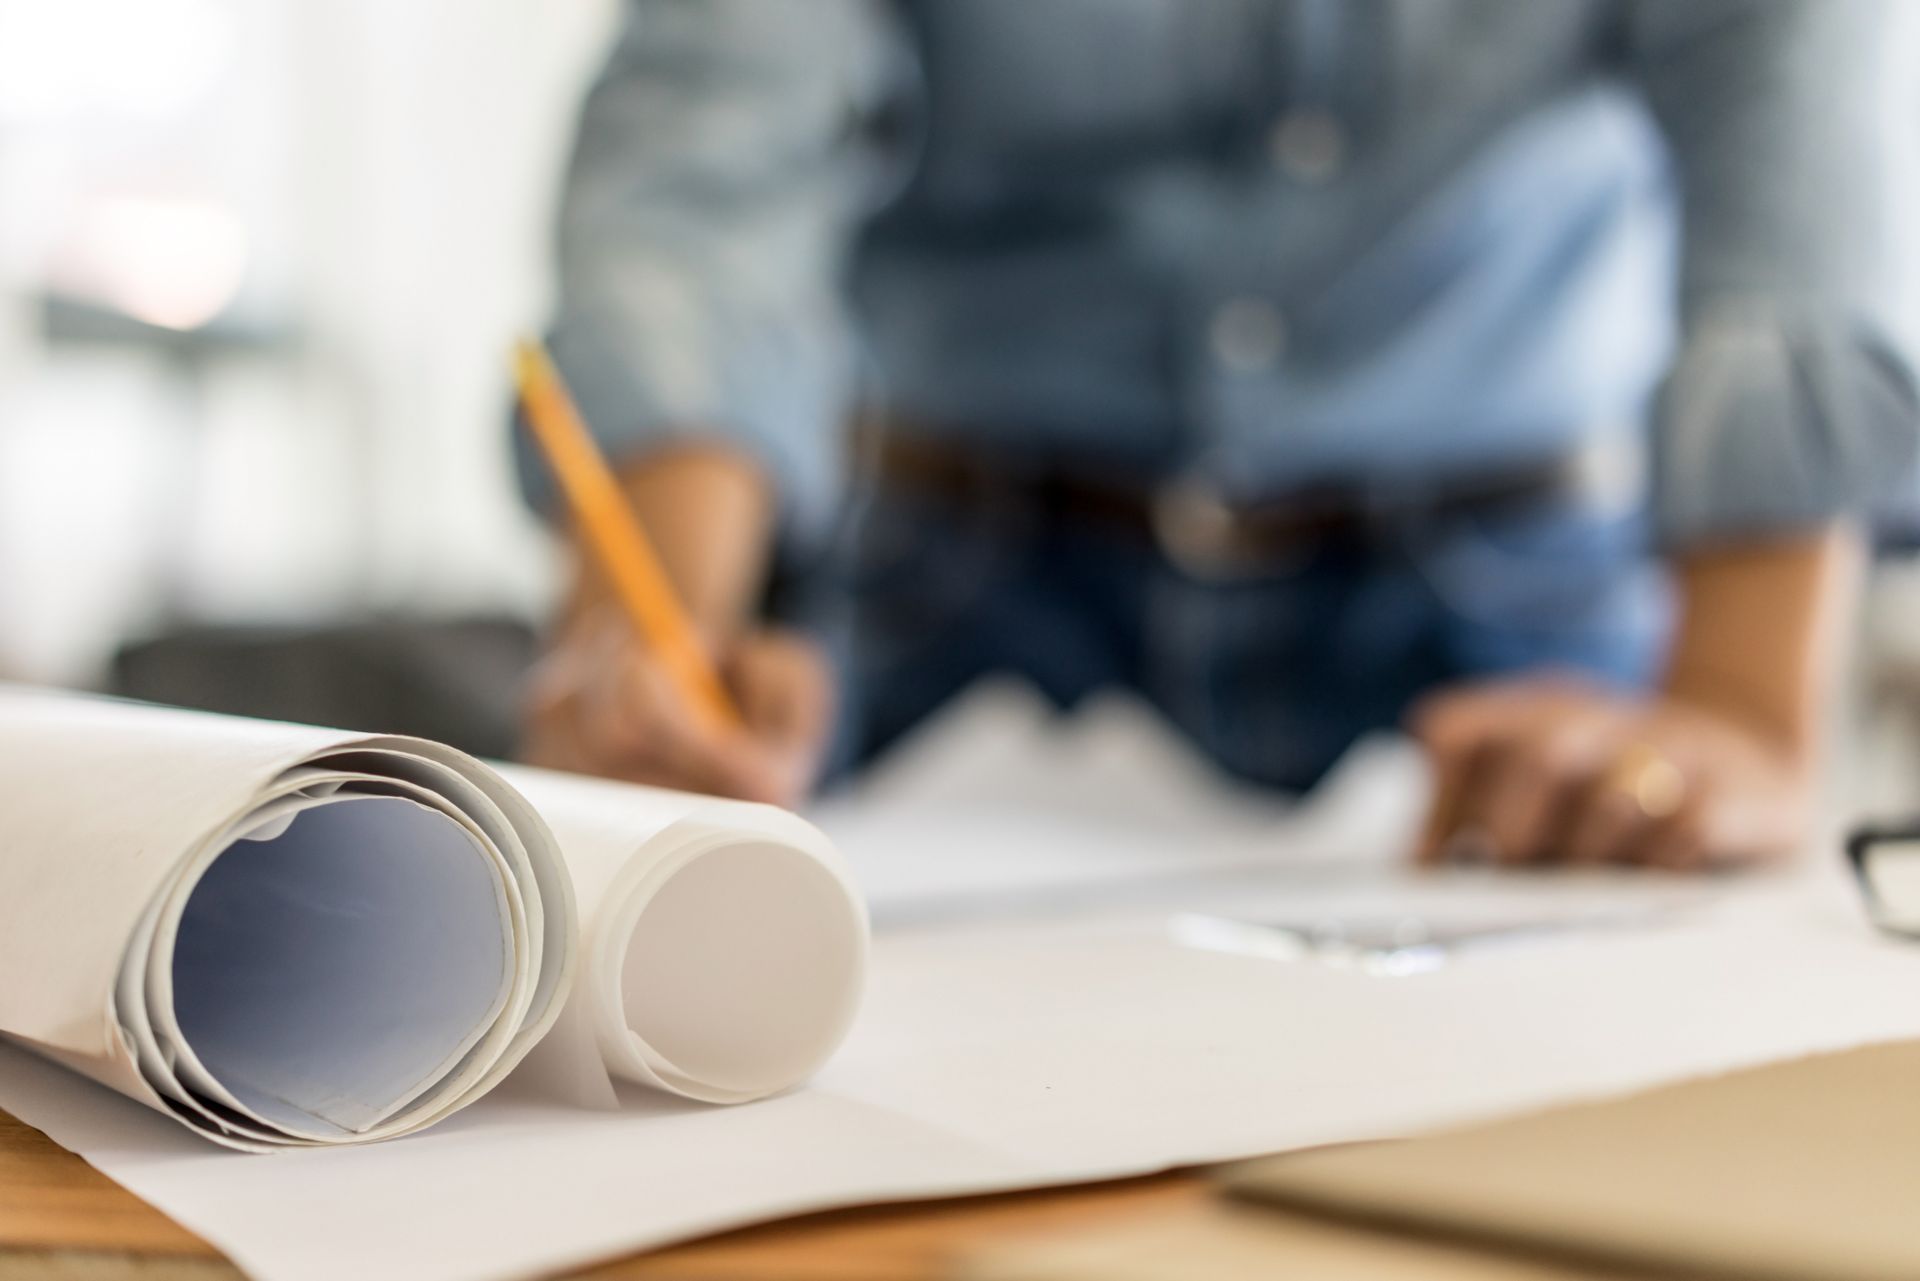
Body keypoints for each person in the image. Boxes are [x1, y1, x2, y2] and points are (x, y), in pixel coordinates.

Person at [518, 0, 1918, 871]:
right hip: (958, 595)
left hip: (1519, 622)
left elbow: (1793, 203)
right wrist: (660, 653)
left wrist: (1738, 711)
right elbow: (701, 189)